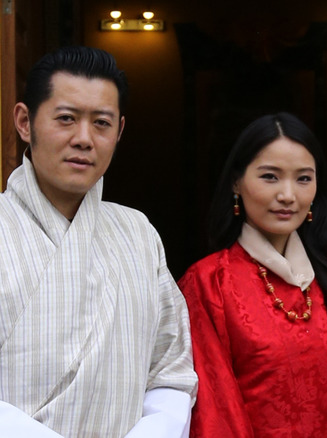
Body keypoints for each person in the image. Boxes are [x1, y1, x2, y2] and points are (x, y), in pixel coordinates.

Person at [0, 46, 197, 436]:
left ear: (119, 131)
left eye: (101, 123)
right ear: (25, 122)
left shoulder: (138, 233)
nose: (84, 139)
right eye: (66, 119)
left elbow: (170, 370)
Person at [178, 112, 327, 437]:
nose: (288, 195)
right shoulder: (209, 282)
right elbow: (216, 408)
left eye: (303, 178)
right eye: (270, 177)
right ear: (236, 182)